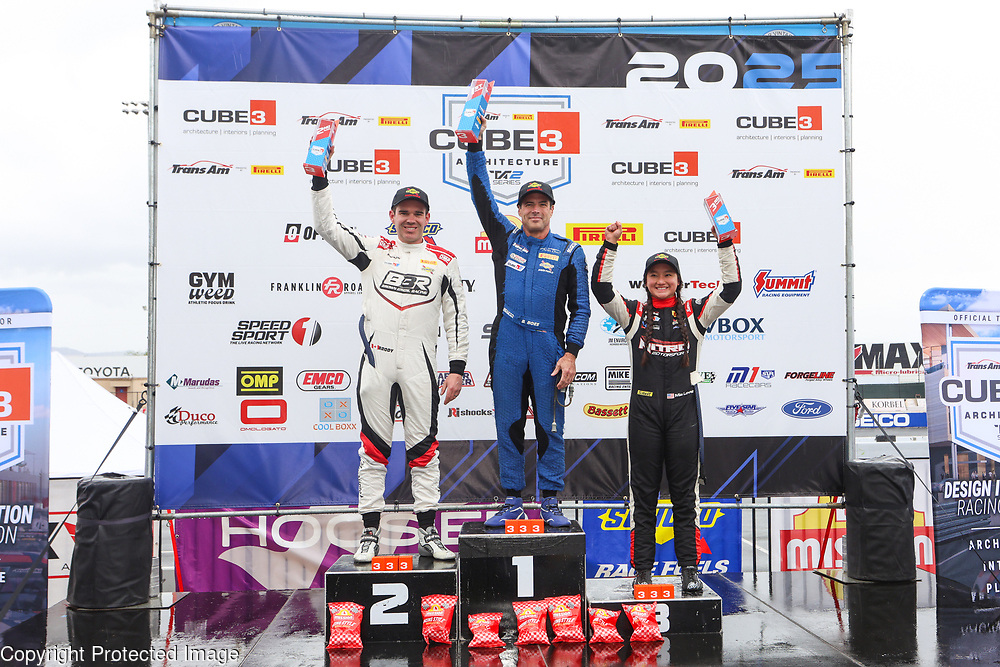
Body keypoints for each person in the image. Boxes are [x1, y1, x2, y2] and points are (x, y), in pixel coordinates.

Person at [311, 172, 469, 563]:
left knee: (424, 450)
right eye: (404, 212)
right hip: (376, 364)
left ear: (427, 217)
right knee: (373, 449)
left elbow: (457, 317)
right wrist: (320, 182)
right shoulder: (373, 250)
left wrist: (457, 366)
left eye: (417, 213)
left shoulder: (445, 261)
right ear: (392, 216)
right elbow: (327, 228)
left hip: (419, 365)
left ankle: (428, 531)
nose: (410, 219)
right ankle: (369, 533)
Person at [591, 220, 741, 595]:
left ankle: (689, 570)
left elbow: (732, 288)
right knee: (642, 497)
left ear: (678, 280)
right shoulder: (634, 314)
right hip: (643, 416)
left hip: (683, 416)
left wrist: (725, 243)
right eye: (654, 275)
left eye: (668, 275)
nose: (661, 281)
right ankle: (643, 572)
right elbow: (601, 288)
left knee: (684, 499)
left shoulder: (694, 314)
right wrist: (610, 246)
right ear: (645, 281)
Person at [464, 135, 590, 527]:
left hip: (548, 346)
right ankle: (512, 499)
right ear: (519, 210)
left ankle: (550, 500)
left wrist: (571, 353)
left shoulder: (570, 251)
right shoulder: (505, 237)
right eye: (528, 204)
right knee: (509, 422)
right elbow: (481, 195)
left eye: (542, 204)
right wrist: (474, 148)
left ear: (551, 209)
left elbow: (581, 308)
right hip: (508, 342)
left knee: (550, 425)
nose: (535, 210)